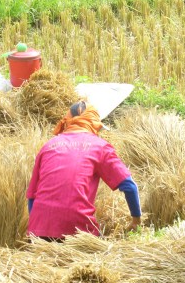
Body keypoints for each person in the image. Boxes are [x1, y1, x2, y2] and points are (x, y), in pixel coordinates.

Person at [27, 101, 141, 241]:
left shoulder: (48, 146)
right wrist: (136, 221)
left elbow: (32, 196)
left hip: (38, 230)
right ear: (93, 124)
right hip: (77, 230)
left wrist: (38, 230)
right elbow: (129, 186)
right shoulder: (99, 146)